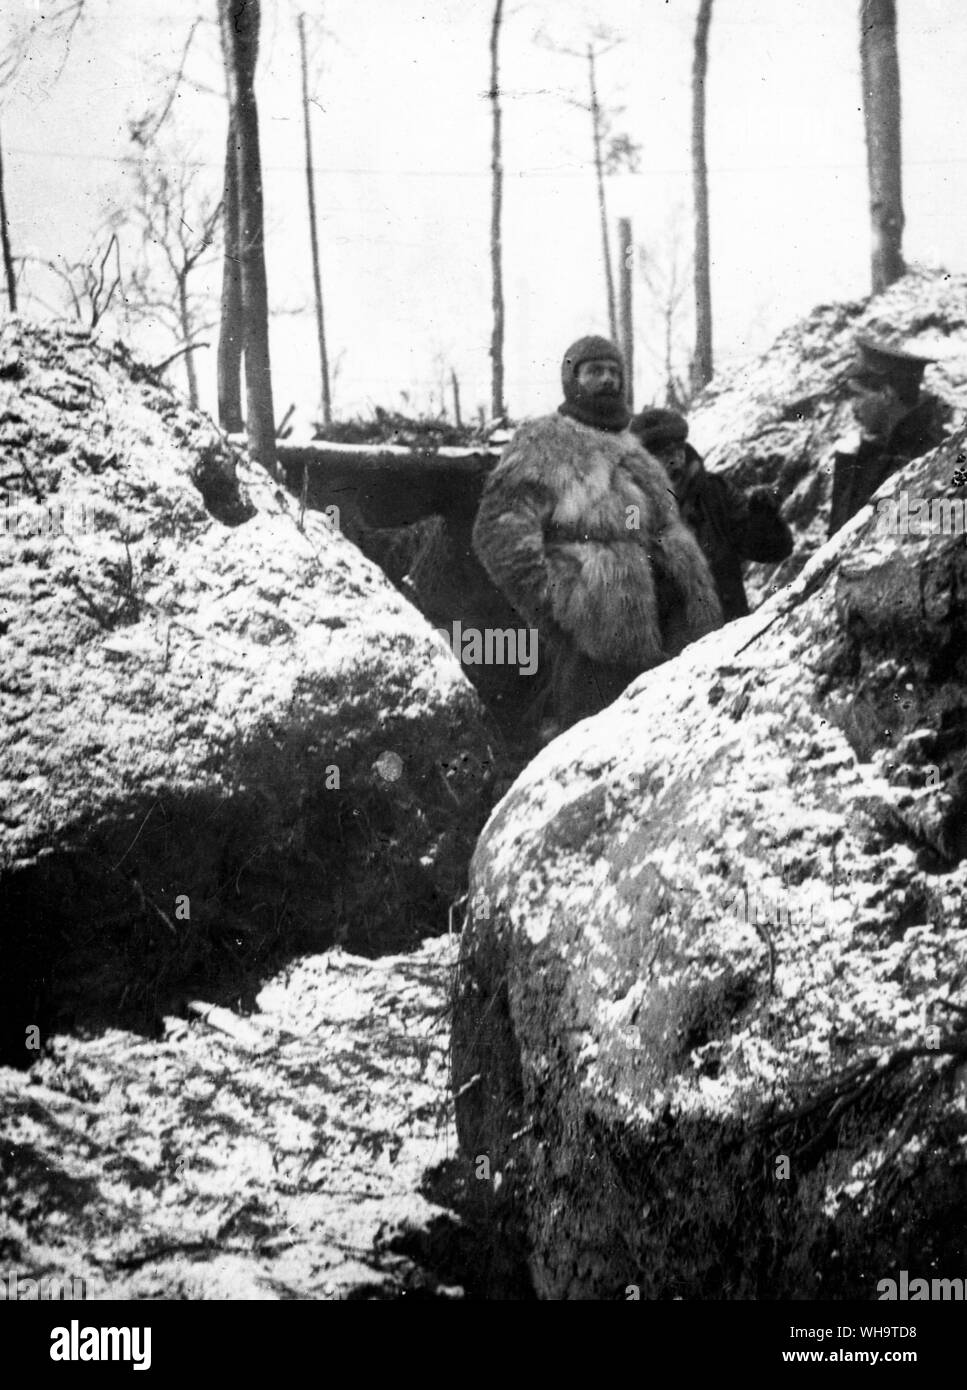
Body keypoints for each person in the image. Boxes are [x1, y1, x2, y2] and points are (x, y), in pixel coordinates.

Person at [471, 336, 722, 735]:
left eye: (614, 371)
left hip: (669, 636)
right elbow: (498, 532)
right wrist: (562, 607)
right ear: (572, 381)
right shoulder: (544, 442)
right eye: (594, 372)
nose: (607, 380)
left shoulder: (636, 451)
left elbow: (665, 526)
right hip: (594, 648)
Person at [630, 407, 793, 623]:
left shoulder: (716, 492)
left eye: (678, 449)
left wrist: (764, 517)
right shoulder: (631, 508)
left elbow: (770, 550)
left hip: (728, 635)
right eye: (663, 454)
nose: (675, 460)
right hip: (674, 647)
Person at [827, 335, 948, 538]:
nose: (854, 408)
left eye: (859, 396)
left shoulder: (930, 459)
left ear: (886, 394)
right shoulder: (878, 447)